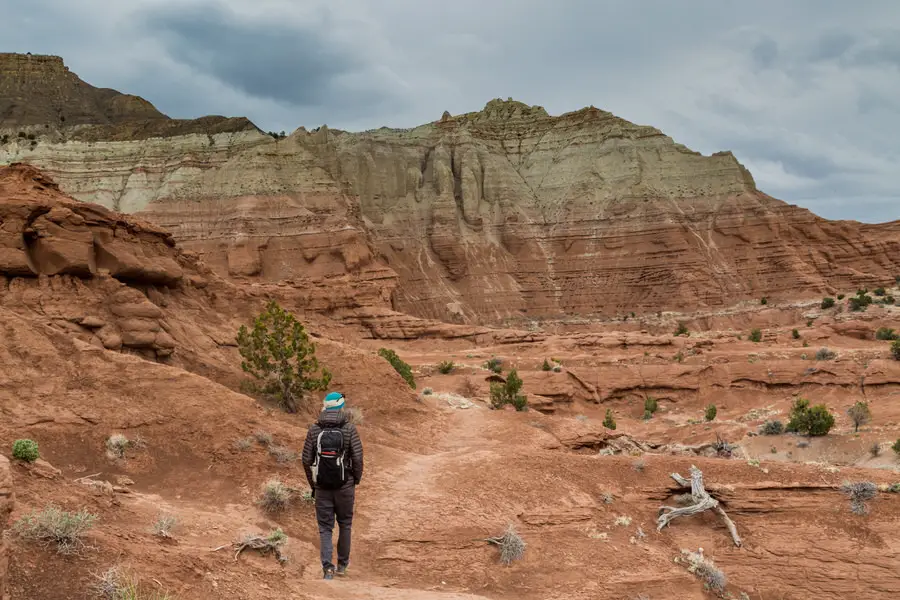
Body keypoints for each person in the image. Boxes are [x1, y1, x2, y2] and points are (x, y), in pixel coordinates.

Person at [301, 391, 364, 580]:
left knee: (325, 528)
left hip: (322, 488)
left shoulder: (314, 429)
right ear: (341, 407)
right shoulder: (349, 428)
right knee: (345, 524)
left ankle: (327, 568)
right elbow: (358, 458)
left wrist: (314, 483)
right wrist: (355, 479)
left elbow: (306, 460)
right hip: (345, 486)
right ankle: (342, 566)